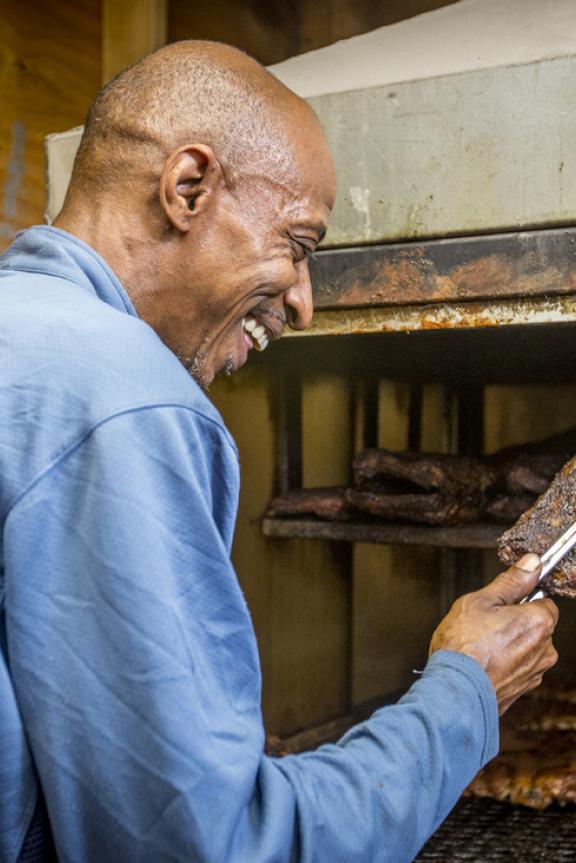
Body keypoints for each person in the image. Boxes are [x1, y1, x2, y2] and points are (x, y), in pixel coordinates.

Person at [0, 41, 558, 863]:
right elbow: (211, 847)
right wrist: (465, 690)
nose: (303, 303)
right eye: (298, 244)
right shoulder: (120, 396)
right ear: (188, 187)